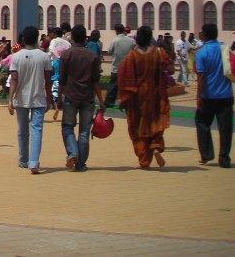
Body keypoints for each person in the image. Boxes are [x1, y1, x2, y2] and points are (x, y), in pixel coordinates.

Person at [117, 25, 171, 169]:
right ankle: (156, 144)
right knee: (156, 120)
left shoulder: (131, 57)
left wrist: (124, 98)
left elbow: (123, 78)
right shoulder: (159, 53)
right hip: (156, 95)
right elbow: (170, 69)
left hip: (138, 97)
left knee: (137, 126)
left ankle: (144, 160)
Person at [7, 25, 53, 174]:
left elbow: (14, 79)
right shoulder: (44, 57)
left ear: (23, 39)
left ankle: (23, 160)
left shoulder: (16, 57)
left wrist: (10, 99)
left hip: (21, 98)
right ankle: (34, 162)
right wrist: (49, 98)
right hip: (39, 98)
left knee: (22, 130)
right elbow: (48, 81)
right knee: (36, 130)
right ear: (37, 39)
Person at [60, 25, 106, 172]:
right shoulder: (92, 56)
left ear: (72, 38)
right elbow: (96, 81)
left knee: (67, 127)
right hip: (88, 97)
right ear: (85, 38)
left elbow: (62, 80)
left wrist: (58, 98)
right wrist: (101, 100)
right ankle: (81, 164)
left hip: (71, 96)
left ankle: (73, 153)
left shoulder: (66, 55)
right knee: (85, 131)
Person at [194, 23, 234, 167]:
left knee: (202, 123)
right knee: (226, 128)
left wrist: (198, 97)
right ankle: (224, 158)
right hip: (226, 94)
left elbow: (201, 77)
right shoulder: (225, 49)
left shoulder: (201, 53)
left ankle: (206, 155)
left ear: (204, 35)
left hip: (208, 96)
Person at [104, 24, 136, 108]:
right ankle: (127, 102)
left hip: (116, 67)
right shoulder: (131, 41)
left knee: (113, 86)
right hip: (128, 68)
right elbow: (135, 50)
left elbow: (109, 52)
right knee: (127, 86)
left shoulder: (115, 41)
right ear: (124, 30)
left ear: (116, 31)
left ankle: (109, 102)